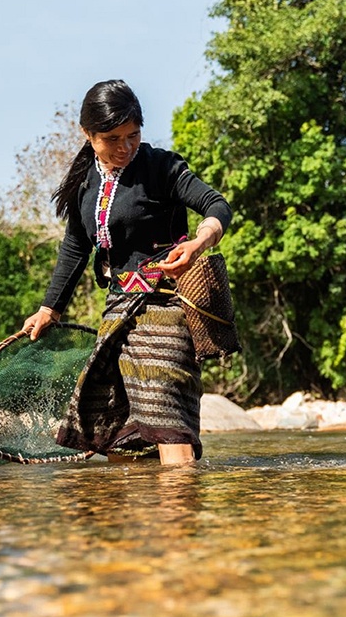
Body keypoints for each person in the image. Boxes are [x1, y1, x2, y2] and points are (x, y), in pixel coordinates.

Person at [22, 79, 231, 465]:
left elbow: (216, 205)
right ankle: (123, 523)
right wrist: (50, 308)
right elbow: (75, 248)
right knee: (115, 425)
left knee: (167, 413)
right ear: (88, 134)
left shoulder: (161, 167)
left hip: (168, 307)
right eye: (112, 138)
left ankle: (181, 516)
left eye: (132, 135)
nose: (125, 147)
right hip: (118, 311)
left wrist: (198, 242)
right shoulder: (85, 185)